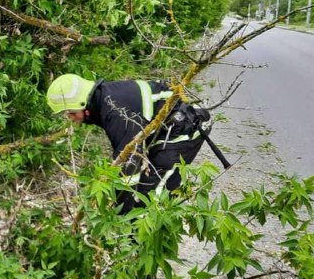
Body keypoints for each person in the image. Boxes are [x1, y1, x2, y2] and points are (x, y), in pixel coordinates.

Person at [46, 74, 210, 213]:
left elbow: (129, 165)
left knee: (152, 198)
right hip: (165, 127)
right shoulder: (104, 98)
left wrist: (121, 212)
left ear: (84, 105)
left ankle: (148, 235)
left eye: (71, 113)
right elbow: (127, 149)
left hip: (185, 127)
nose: (70, 118)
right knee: (142, 190)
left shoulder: (115, 113)